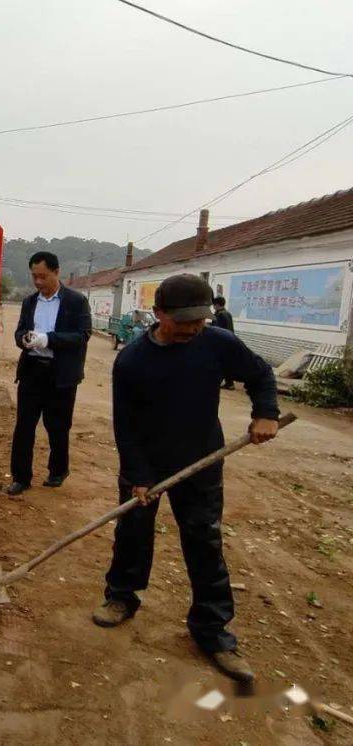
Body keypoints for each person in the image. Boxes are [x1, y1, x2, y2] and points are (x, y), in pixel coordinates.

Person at [93, 274, 280, 684]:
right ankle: (121, 597)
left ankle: (212, 631)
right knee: (133, 532)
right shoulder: (132, 361)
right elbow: (125, 424)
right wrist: (138, 476)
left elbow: (261, 374)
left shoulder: (217, 343)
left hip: (202, 459)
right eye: (184, 321)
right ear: (159, 314)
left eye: (200, 320)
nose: (193, 328)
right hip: (148, 463)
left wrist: (264, 412)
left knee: (204, 540)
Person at [7, 251, 92, 496]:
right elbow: (20, 330)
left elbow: (82, 335)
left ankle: (58, 470)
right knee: (24, 426)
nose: (38, 282)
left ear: (56, 272)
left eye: (43, 276)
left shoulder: (75, 302)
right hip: (32, 371)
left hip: (61, 375)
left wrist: (49, 339)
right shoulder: (29, 302)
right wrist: (25, 339)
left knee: (57, 426)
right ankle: (20, 477)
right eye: (34, 277)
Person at [212, 296, 236, 389]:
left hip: (221, 342)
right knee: (226, 363)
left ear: (217, 304)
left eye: (214, 305)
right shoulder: (228, 313)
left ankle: (222, 382)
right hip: (229, 340)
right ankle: (230, 383)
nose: (213, 307)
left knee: (219, 362)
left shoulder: (219, 315)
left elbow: (217, 329)